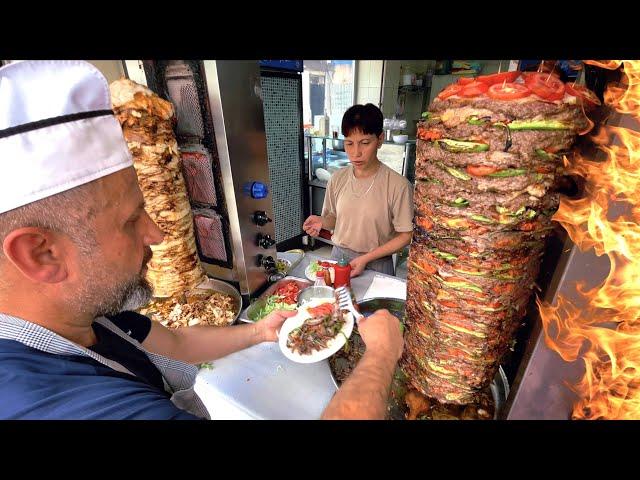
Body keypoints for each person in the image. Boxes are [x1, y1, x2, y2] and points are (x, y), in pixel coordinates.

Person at [0, 60, 403, 420]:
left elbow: (175, 340)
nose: (156, 233)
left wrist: (259, 332)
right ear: (41, 254)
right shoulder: (66, 404)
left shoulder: (100, 318)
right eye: (131, 220)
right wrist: (382, 355)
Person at [303, 104, 414, 277]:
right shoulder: (337, 178)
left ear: (380, 139)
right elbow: (333, 219)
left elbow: (405, 235)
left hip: (377, 264)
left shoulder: (398, 185)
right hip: (338, 258)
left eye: (365, 143)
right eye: (349, 143)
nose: (356, 152)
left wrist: (366, 258)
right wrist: (321, 222)